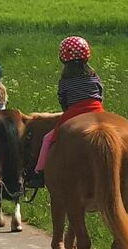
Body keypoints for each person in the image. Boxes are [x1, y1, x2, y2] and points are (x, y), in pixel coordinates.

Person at [25, 36, 103, 189]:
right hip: (97, 111)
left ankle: (39, 173)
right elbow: (100, 94)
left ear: (63, 57)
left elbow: (63, 101)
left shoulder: (65, 80)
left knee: (47, 139)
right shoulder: (94, 76)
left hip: (74, 113)